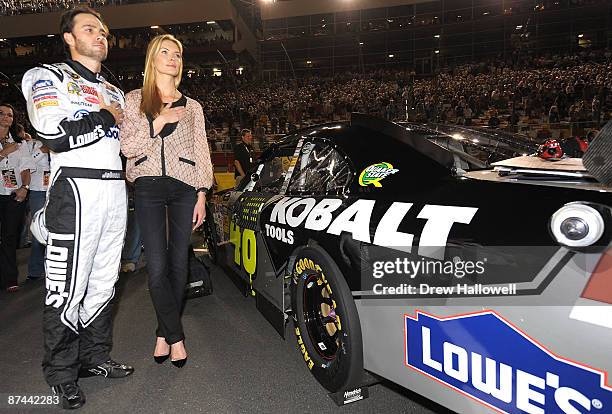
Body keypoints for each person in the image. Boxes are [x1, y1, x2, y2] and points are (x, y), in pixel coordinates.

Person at [21, 7, 134, 409]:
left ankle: (94, 357)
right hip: (75, 190)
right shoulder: (46, 76)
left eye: (103, 30)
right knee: (66, 287)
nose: (100, 35)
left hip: (115, 191)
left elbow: (126, 143)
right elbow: (51, 132)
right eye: (90, 29)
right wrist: (104, 116)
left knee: (105, 281)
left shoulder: (115, 89)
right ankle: (61, 372)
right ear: (68, 37)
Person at [121, 34, 213, 368]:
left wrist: (202, 193)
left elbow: (202, 151)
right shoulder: (134, 99)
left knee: (179, 265)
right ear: (152, 59)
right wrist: (158, 121)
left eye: (177, 53)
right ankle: (177, 337)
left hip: (185, 188)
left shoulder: (194, 106)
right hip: (147, 187)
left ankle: (163, 332)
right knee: (156, 267)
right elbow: (128, 147)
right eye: (165, 52)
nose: (172, 57)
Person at [0, 104, 35, 292]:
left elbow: (26, 169)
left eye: (10, 115)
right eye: (2, 114)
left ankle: (9, 279)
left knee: (9, 237)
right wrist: (5, 152)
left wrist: (25, 188)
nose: (6, 117)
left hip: (13, 195)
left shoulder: (20, 144)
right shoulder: (12, 146)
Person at [24, 129, 51, 281]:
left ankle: (51, 268)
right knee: (38, 229)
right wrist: (42, 150)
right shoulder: (31, 145)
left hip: (55, 190)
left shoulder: (61, 143)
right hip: (38, 191)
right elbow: (26, 164)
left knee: (54, 230)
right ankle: (35, 270)